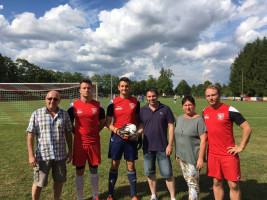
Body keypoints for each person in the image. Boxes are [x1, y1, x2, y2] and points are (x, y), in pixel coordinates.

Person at [203, 85, 252, 200]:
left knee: (233, 185)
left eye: (213, 95)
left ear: (219, 95)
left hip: (228, 155)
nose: (211, 98)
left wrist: (241, 146)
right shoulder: (205, 111)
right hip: (213, 155)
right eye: (208, 96)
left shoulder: (230, 110)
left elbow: (247, 128)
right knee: (216, 183)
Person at [27, 90, 72, 200]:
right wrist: (31, 155)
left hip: (60, 156)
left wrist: (70, 151)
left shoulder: (64, 114)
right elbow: (30, 136)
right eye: (50, 98)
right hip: (43, 156)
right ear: (45, 99)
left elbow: (68, 134)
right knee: (39, 183)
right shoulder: (37, 114)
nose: (52, 101)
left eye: (55, 99)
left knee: (59, 181)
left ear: (59, 101)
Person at [67, 79, 105, 200]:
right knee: (80, 170)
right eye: (84, 88)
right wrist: (77, 133)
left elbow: (103, 122)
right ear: (79, 90)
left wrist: (94, 132)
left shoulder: (99, 105)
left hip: (94, 143)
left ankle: (95, 195)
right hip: (80, 143)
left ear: (92, 90)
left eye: (89, 88)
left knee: (94, 169)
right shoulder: (73, 106)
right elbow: (69, 124)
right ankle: (80, 197)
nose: (87, 90)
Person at [106, 77, 141, 200]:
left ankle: (133, 194)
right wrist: (117, 131)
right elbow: (108, 123)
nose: (124, 88)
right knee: (115, 163)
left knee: (131, 163)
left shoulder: (135, 101)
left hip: (131, 138)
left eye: (126, 86)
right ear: (118, 88)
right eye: (122, 86)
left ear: (129, 87)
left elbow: (138, 120)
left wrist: (138, 134)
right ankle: (110, 194)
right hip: (117, 137)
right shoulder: (113, 103)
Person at [138, 87, 176, 200]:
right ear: (146, 97)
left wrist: (170, 144)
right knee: (150, 173)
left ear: (157, 96)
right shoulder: (142, 110)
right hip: (148, 147)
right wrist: (137, 134)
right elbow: (141, 126)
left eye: (153, 96)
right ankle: (154, 195)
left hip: (163, 147)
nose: (151, 98)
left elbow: (171, 126)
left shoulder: (165, 109)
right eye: (149, 96)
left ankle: (173, 197)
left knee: (167, 174)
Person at [174, 95, 208, 200]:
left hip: (193, 157)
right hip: (182, 156)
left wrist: (201, 158)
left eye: (190, 105)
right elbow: (178, 136)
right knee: (188, 180)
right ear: (182, 106)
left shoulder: (199, 120)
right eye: (185, 105)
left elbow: (204, 139)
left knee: (193, 182)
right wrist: (177, 153)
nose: (188, 107)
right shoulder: (179, 118)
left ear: (194, 105)